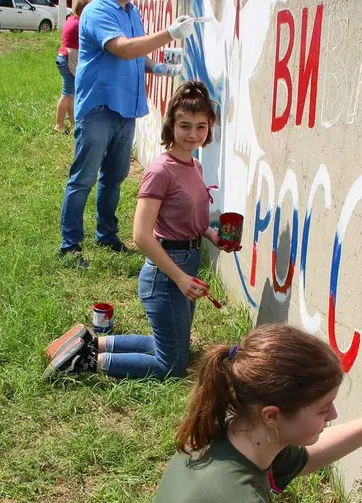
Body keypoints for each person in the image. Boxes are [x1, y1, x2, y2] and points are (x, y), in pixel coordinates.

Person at [144, 324, 362, 503]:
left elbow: (306, 459)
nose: (333, 415)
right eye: (322, 408)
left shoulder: (235, 431)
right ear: (272, 415)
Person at [45, 81, 237, 380]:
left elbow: (195, 222)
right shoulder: (161, 170)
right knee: (171, 367)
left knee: (174, 348)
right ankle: (84, 362)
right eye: (184, 125)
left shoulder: (195, 167)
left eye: (201, 127)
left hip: (186, 265)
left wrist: (213, 236)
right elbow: (141, 235)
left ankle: (91, 342)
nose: (193, 134)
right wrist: (180, 277)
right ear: (171, 125)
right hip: (165, 274)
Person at [59, 0, 195, 268]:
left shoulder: (131, 11)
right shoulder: (97, 10)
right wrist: (169, 34)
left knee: (114, 177)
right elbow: (122, 48)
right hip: (99, 106)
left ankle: (106, 236)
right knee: (83, 179)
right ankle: (70, 246)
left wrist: (155, 67)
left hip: (125, 109)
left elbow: (135, 50)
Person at [53, 0, 90, 134]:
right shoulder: (78, 23)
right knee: (67, 94)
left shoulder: (71, 19)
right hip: (69, 58)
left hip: (64, 57)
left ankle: (72, 122)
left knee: (70, 93)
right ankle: (59, 125)